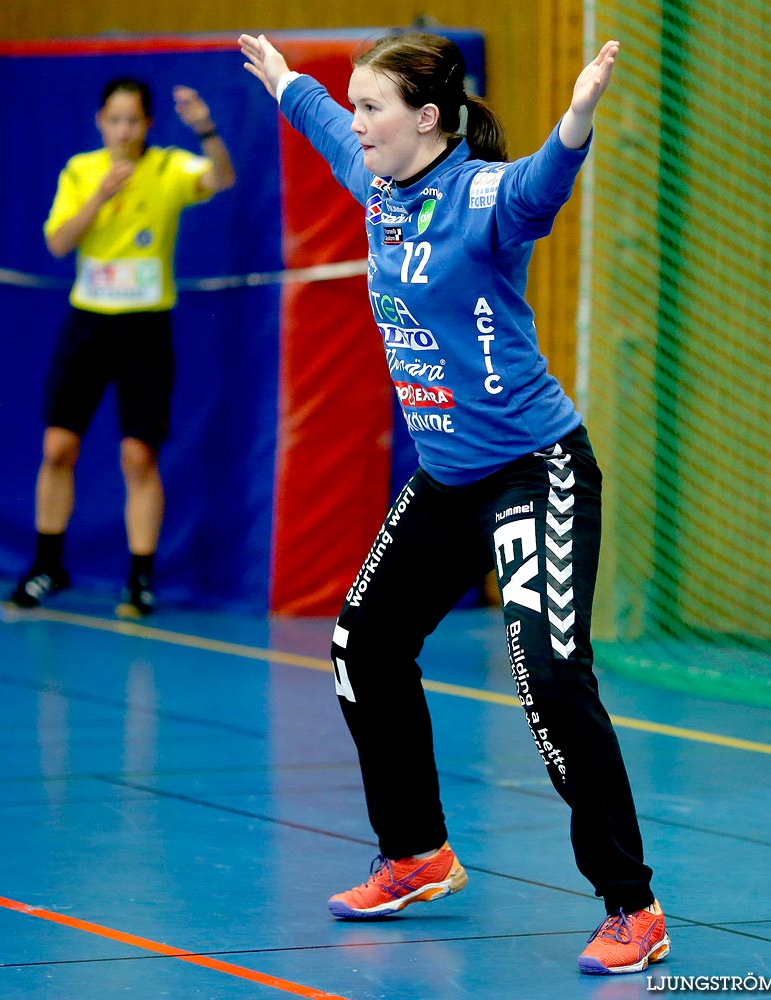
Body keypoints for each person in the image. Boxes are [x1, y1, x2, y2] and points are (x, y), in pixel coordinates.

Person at [239, 31, 669, 976]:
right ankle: (417, 853)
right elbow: (319, 124)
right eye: (353, 108)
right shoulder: (378, 187)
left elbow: (540, 186)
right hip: (446, 478)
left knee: (551, 676)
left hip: (532, 468)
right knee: (365, 640)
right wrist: (284, 81)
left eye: (371, 109)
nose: (355, 125)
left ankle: (631, 905)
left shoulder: (478, 195)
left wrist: (578, 118)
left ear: (427, 120)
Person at [9, 78, 235, 617]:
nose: (124, 130)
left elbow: (222, 177)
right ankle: (47, 565)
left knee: (138, 455)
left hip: (145, 329)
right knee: (58, 447)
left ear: (148, 125)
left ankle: (139, 579)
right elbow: (58, 241)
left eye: (133, 120)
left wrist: (205, 128)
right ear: (100, 122)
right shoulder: (81, 170)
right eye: (114, 119)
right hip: (88, 324)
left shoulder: (168, 168)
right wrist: (100, 195)